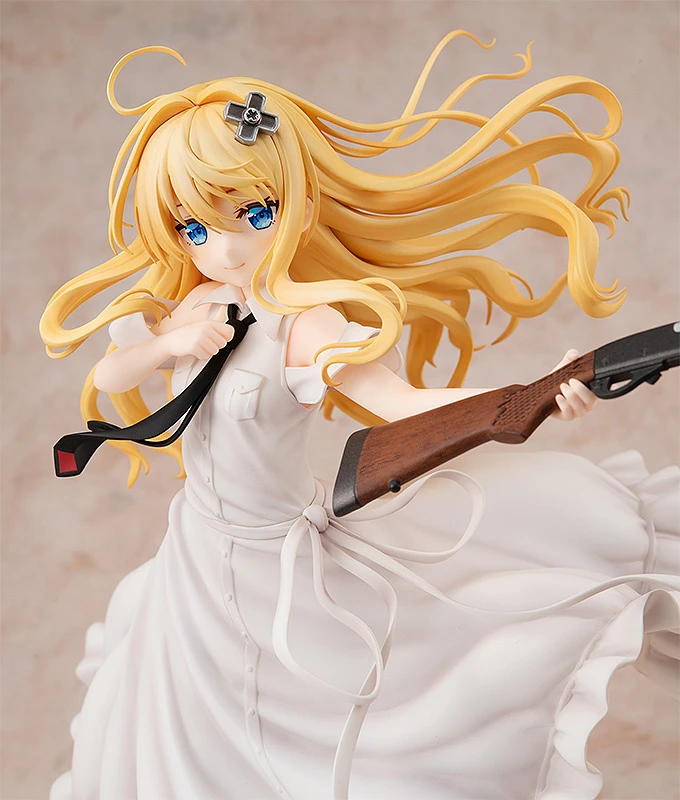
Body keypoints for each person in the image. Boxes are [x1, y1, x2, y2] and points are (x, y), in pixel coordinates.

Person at [40, 32, 679, 800]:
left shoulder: (303, 327)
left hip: (278, 567)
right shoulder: (196, 303)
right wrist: (169, 342)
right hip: (196, 557)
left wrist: (539, 391)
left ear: (297, 207)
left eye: (254, 212)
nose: (226, 248)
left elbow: (402, 405)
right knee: (186, 728)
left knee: (335, 728)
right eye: (195, 229)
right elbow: (110, 374)